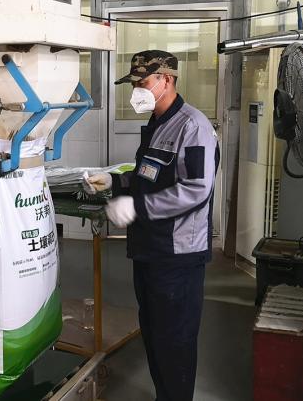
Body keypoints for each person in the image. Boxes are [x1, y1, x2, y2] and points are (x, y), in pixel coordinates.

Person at [83, 50, 219, 401]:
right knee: (155, 334)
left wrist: (138, 206)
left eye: (142, 83)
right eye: (133, 85)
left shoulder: (193, 127)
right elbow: (150, 175)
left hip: (177, 255)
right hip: (149, 249)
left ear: (167, 80)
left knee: (175, 341)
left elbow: (196, 190)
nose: (136, 92)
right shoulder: (158, 124)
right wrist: (115, 182)